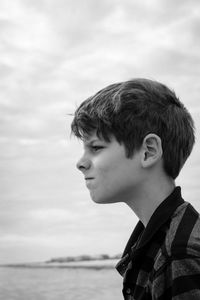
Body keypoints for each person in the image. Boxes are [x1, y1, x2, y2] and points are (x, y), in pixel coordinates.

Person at [71, 78, 200, 299]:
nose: (80, 163)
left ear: (148, 151)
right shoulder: (157, 240)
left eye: (96, 147)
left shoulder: (181, 255)